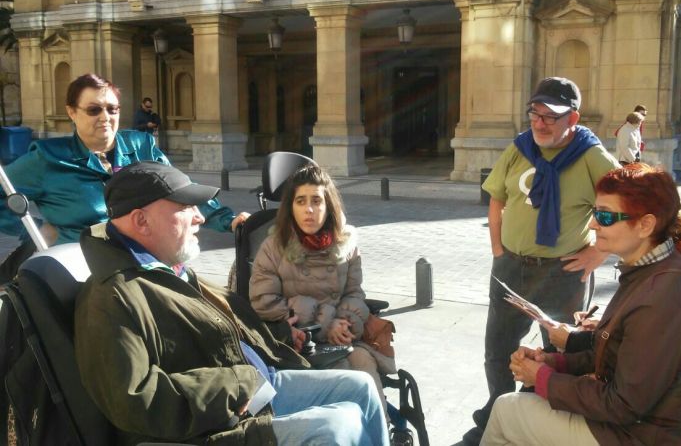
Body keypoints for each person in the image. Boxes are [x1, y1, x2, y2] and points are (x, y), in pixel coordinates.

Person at [74, 161, 388, 445]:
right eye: (185, 207)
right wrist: (236, 383)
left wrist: (278, 333)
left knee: (361, 388)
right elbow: (135, 401)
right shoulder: (112, 297)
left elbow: (223, 327)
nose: (199, 217)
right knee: (337, 424)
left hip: (259, 384)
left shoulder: (170, 271)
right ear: (142, 221)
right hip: (221, 421)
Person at [481, 164, 681, 446]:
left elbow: (624, 405)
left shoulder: (661, 296)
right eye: (594, 213)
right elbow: (614, 353)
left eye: (605, 216)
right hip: (639, 425)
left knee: (508, 410)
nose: (593, 224)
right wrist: (554, 362)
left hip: (648, 436)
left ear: (645, 225)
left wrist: (544, 378)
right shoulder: (646, 271)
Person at [463, 76, 619, 445]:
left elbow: (623, 206)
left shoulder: (591, 156)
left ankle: (544, 417)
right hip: (511, 268)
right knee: (498, 349)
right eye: (535, 112)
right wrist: (498, 249)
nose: (540, 122)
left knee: (558, 352)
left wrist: (598, 252)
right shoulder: (519, 148)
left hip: (562, 273)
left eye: (551, 115)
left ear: (573, 119)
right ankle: (498, 412)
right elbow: (498, 198)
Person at [0, 74, 248, 283]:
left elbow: (181, 191)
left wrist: (230, 221)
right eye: (93, 109)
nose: (105, 117)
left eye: (112, 109)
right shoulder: (47, 158)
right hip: (83, 269)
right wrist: (35, 230)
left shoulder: (141, 146)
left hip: (148, 259)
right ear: (72, 112)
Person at [249, 164, 395, 415]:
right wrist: (327, 324)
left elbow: (354, 293)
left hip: (342, 336)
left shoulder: (346, 245)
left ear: (328, 206)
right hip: (297, 342)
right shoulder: (273, 247)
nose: (309, 209)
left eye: (316, 201)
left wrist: (346, 323)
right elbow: (264, 301)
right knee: (346, 378)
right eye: (301, 201)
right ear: (290, 207)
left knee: (364, 366)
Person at [546, 204, 681, 353]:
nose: (592, 225)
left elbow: (637, 364)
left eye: (606, 217)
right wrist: (605, 327)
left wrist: (575, 341)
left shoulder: (674, 283)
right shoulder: (670, 266)